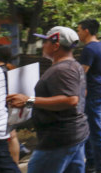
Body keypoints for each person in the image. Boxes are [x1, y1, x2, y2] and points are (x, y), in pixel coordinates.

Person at [7, 26, 89, 173]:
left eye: (46, 42)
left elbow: (71, 100)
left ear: (56, 45)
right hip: (73, 134)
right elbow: (82, 93)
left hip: (58, 139)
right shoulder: (73, 65)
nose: (43, 45)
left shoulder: (63, 69)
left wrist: (28, 100)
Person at [76, 19, 101, 173]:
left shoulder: (89, 49)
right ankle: (91, 164)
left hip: (92, 92)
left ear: (86, 31)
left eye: (79, 30)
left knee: (94, 130)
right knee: (90, 128)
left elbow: (82, 74)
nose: (78, 33)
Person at [0, 45, 21, 164]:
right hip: (10, 108)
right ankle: (14, 163)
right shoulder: (10, 69)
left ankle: (14, 163)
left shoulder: (0, 71)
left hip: (3, 109)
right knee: (12, 136)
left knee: (11, 137)